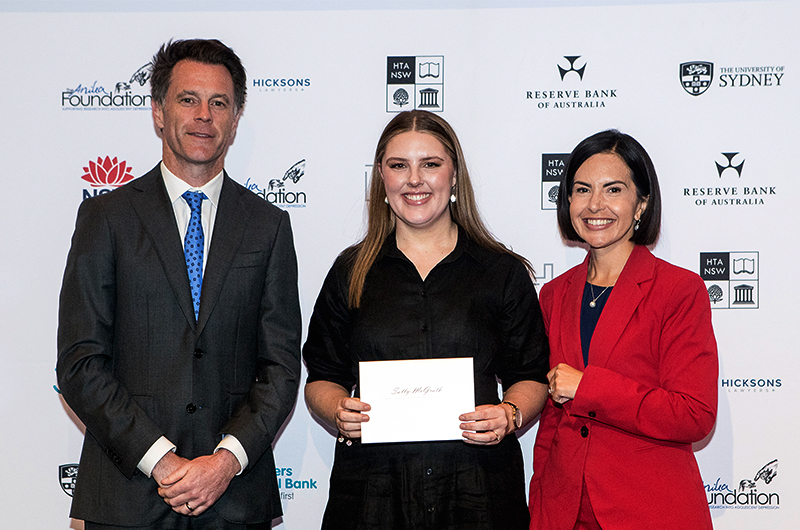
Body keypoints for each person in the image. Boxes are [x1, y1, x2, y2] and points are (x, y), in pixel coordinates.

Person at [56, 39, 302, 530]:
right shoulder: (105, 218)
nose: (204, 116)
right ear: (158, 113)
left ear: (235, 120)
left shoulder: (268, 225)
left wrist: (224, 462)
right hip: (126, 497)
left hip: (233, 498)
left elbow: (279, 368)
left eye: (220, 103)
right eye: (188, 99)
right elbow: (81, 363)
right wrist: (162, 462)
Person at [303, 109, 549, 530]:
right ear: (382, 177)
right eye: (399, 165)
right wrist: (337, 410)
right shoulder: (349, 271)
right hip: (373, 496)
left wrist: (509, 415)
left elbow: (531, 375)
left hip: (479, 494)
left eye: (430, 164)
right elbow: (322, 377)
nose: (414, 179)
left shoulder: (501, 271)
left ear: (453, 176)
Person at [528, 130, 718, 530]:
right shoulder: (553, 294)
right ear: (567, 201)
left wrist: (589, 388)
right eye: (582, 189)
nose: (595, 204)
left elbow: (694, 414)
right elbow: (550, 419)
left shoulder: (679, 291)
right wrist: (542, 501)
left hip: (648, 510)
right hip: (564, 511)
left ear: (641, 204)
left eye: (613, 189)